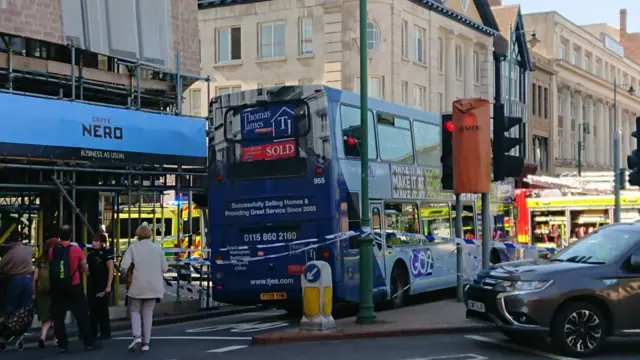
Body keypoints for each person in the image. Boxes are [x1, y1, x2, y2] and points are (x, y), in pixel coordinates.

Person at [121, 222, 168, 352]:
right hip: (154, 286)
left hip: (137, 285)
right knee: (148, 314)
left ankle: (137, 336)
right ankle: (146, 343)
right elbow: (165, 268)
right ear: (150, 234)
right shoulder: (157, 248)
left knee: (135, 310)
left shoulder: (133, 247)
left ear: (138, 234)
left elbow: (124, 265)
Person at [49, 225, 96, 352]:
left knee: (59, 317)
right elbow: (84, 268)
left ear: (59, 236)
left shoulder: (52, 251)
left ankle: (62, 344)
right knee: (81, 314)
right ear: (70, 236)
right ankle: (88, 342)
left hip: (57, 287)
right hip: (74, 285)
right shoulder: (76, 250)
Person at [87, 232, 114, 340]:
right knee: (92, 309)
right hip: (92, 283)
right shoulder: (91, 254)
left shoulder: (106, 253)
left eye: (97, 241)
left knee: (102, 309)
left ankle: (105, 332)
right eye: (93, 240)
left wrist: (109, 285)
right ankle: (93, 331)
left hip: (103, 283)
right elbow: (88, 271)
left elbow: (111, 269)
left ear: (101, 242)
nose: (94, 243)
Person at [33, 238, 59, 348]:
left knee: (46, 317)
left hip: (42, 292)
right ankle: (56, 339)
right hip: (54, 290)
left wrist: (34, 293)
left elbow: (35, 278)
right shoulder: (56, 259)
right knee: (56, 315)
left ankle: (43, 337)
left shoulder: (39, 260)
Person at [0, 231, 33, 315]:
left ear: (12, 242)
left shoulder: (11, 252)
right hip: (29, 278)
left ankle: (11, 324)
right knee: (26, 305)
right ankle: (25, 326)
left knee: (11, 303)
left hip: (16, 279)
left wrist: (7, 269)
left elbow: (2, 265)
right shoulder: (29, 250)